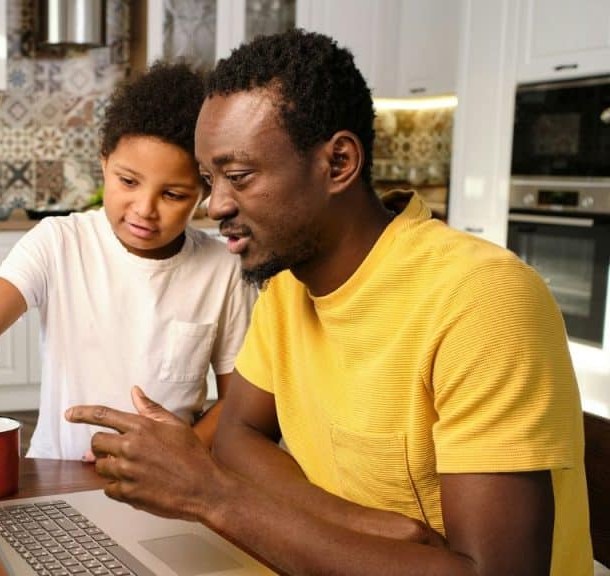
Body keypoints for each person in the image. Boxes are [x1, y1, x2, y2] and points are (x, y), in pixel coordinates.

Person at [66, 29, 592, 575]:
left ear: (338, 162)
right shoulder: (286, 285)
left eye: (239, 176)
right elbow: (237, 435)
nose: (215, 204)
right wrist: (363, 523)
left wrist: (215, 497)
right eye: (208, 179)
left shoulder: (482, 298)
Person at [0, 62, 255, 460]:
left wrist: (180, 453)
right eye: (128, 181)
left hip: (171, 486)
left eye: (173, 195)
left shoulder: (223, 269)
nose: (145, 209)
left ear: (206, 191)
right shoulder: (59, 242)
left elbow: (238, 405)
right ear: (104, 163)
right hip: (56, 476)